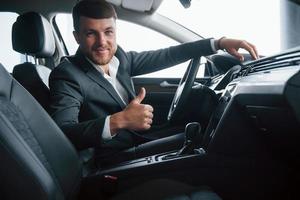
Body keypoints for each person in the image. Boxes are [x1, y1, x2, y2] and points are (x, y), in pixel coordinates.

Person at [49, 0, 258, 165]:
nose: (102, 42)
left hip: (139, 139)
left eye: (108, 32)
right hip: (113, 158)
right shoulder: (67, 75)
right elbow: (64, 132)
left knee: (208, 136)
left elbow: (166, 55)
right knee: (213, 146)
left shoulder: (119, 57)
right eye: (91, 33)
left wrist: (217, 43)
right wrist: (119, 121)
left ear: (115, 32)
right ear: (77, 37)